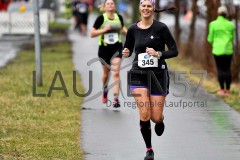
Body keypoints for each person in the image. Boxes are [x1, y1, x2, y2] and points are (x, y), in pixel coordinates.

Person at [122, 0, 178, 159]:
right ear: (140, 8)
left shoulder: (161, 28)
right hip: (138, 75)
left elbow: (174, 51)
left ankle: (160, 121)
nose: (146, 8)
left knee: (155, 117)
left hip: (158, 76)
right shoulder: (132, 29)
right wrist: (125, 52)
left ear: (153, 8)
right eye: (143, 5)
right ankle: (149, 150)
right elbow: (128, 49)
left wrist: (158, 53)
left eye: (149, 5)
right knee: (145, 113)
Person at [90, 0, 127, 107]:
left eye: (112, 3)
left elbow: (122, 28)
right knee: (106, 74)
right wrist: (104, 30)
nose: (110, 5)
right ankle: (105, 89)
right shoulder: (101, 18)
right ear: (105, 7)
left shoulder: (119, 17)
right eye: (108, 4)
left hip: (117, 48)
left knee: (116, 73)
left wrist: (128, 32)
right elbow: (92, 33)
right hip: (104, 49)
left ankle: (116, 99)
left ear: (114, 6)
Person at [208, 6, 234, 95]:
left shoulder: (213, 24)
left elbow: (210, 39)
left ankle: (222, 89)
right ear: (226, 14)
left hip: (217, 50)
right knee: (227, 69)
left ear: (218, 13)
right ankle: (228, 90)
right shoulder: (230, 24)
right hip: (228, 50)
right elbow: (232, 38)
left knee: (220, 69)